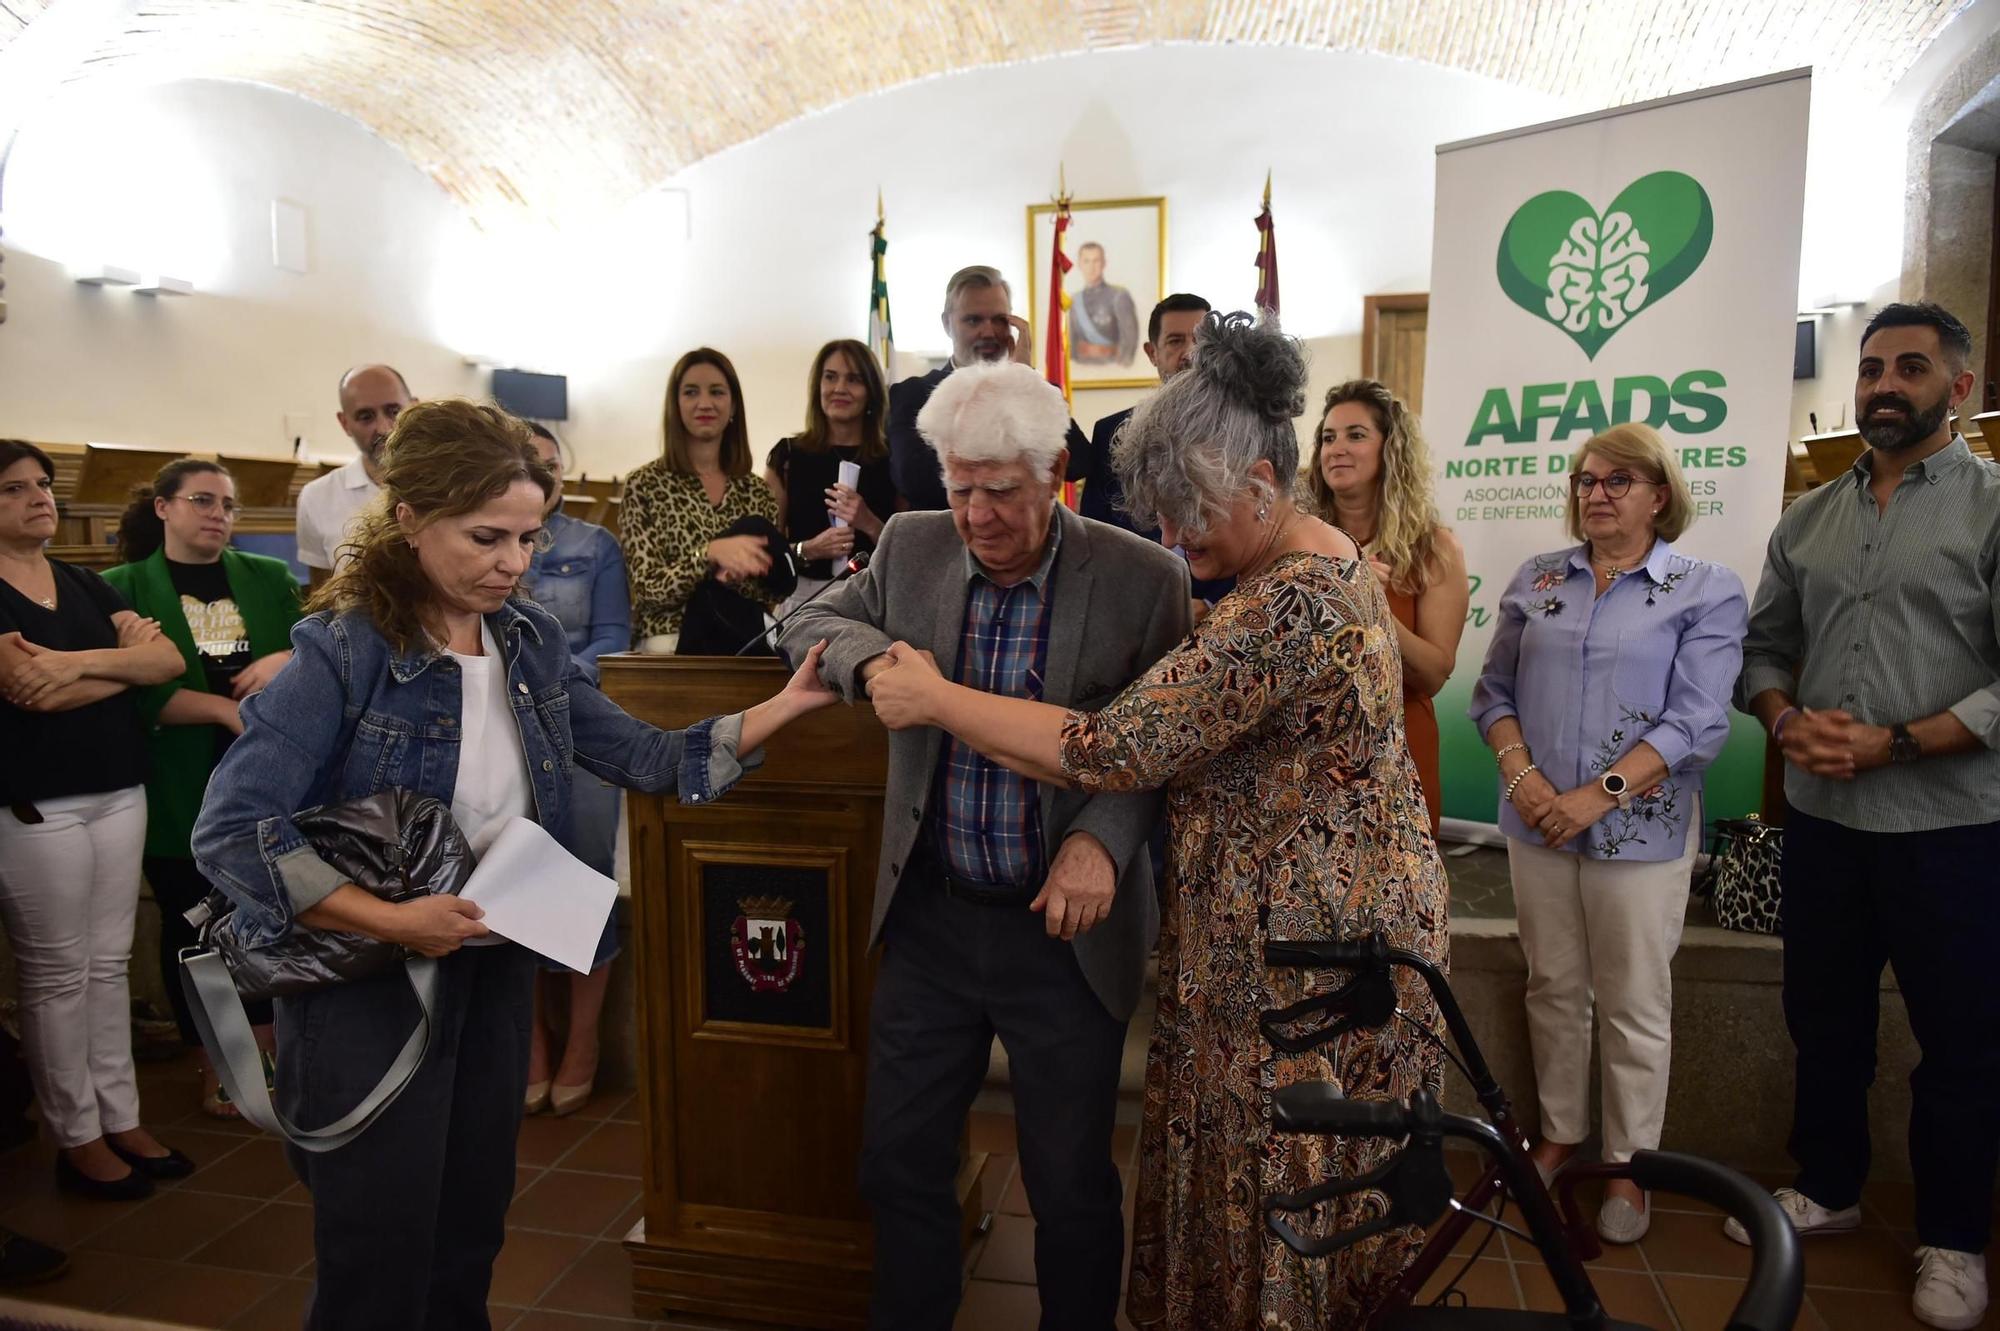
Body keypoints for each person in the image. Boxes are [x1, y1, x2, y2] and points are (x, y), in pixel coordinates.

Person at [191, 402, 835, 1329]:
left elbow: (650, 760)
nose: (513, 562)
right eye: (487, 536)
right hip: (371, 981)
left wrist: (787, 701)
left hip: (489, 962)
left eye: (530, 536)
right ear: (409, 516)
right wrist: (390, 918)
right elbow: (234, 828)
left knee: (468, 1230)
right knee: (378, 1253)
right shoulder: (344, 651)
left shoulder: (528, 639)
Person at [863, 314, 1450, 1331]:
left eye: (1191, 516)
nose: (1176, 543)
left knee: (1282, 1197)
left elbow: (1113, 745)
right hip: (1285, 943)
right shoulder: (1305, 568)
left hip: (1305, 960)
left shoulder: (1292, 603)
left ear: (1261, 478)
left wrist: (939, 700)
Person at [782, 359, 1189, 1330]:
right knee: (898, 1159)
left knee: (1068, 1184)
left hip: (1061, 936)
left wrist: (1100, 839)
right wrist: (875, 657)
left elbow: (1162, 741)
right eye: (959, 487)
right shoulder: (914, 547)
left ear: (1055, 472)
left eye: (1000, 491)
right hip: (930, 915)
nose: (975, 515)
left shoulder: (1142, 578)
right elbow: (803, 615)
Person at [1730, 301, 2000, 1331]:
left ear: (1957, 387)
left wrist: (1892, 741)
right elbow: (1761, 650)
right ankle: (1828, 1185)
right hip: (1824, 826)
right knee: (1824, 1019)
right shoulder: (1807, 517)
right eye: (1873, 367)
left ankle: (1950, 1236)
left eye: (1911, 367)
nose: (1884, 384)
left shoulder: (1986, 506)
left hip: (1952, 827)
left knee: (1960, 1041)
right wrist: (1785, 718)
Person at [1469, 423, 1745, 1245]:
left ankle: (1629, 1164)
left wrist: (1598, 795)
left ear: (1660, 494)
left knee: (1632, 1000)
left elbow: (1698, 721)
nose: (1596, 492)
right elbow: (1492, 691)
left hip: (1642, 832)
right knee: (1552, 984)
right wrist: (1527, 782)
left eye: (1618, 480)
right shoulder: (1539, 577)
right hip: (1537, 821)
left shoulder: (1706, 587)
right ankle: (1560, 1134)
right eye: (1587, 479)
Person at [0, 440, 192, 1202]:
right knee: (56, 973)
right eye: (13, 488)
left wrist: (72, 667)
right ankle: (76, 1134)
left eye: (43, 484)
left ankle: (124, 1116)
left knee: (109, 963)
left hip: (118, 788)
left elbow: (169, 661)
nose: (39, 496)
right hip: (34, 802)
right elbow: (21, 686)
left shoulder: (79, 580)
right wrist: (116, 668)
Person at [103, 459, 303, 1120]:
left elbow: (321, 649)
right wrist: (219, 709)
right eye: (202, 500)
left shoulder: (268, 577)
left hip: (270, 775)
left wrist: (282, 659)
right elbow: (133, 691)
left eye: (228, 504)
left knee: (271, 914)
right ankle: (218, 1063)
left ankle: (273, 1051)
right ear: (163, 508)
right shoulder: (119, 587)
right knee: (193, 928)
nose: (219, 514)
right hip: (181, 773)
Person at [521, 422, 630, 1116]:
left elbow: (614, 636)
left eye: (550, 463)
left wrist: (554, 684)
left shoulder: (595, 545)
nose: (541, 471)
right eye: (525, 462)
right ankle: (529, 1044)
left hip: (577, 725)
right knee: (512, 882)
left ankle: (582, 1042)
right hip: (499, 731)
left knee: (585, 877)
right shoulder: (474, 536)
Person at [1307, 380, 1469, 832]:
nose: (1337, 448)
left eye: (1356, 435)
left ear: (1390, 449)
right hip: (1305, 757)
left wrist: (1368, 602)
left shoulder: (1433, 548)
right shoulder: (1295, 541)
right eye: (1328, 437)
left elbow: (1433, 673)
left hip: (1395, 758)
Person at [620, 348, 784, 652]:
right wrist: (708, 554)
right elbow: (646, 590)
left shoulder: (757, 491)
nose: (704, 403)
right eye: (691, 392)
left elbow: (768, 593)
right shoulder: (644, 484)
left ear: (733, 405)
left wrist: (738, 572)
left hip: (740, 637)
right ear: (676, 405)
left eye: (717, 392)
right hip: (668, 639)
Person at [887, 265, 1088, 511]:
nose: (989, 331)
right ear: (946, 324)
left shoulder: (1031, 389)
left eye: (999, 320)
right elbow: (916, 482)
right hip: (943, 543)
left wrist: (1020, 379)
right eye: (973, 320)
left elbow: (1077, 464)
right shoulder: (913, 395)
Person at [1079, 292, 1232, 608]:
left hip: (1224, 616)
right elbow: (1094, 539)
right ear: (1152, 352)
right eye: (1175, 341)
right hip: (1132, 611)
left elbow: (1262, 531)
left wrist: (1212, 602)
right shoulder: (1111, 433)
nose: (1190, 352)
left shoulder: (1242, 432)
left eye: (1200, 340)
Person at [764, 339, 898, 607]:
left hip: (873, 597)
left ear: (871, 390)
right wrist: (809, 549)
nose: (839, 388)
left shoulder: (892, 459)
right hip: (804, 599)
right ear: (818, 387)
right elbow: (766, 550)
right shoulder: (788, 456)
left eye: (853, 379)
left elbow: (907, 554)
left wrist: (868, 522)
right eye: (830, 377)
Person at [296, 364, 416, 590]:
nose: (383, 428)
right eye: (366, 416)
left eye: (394, 411)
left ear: (414, 407)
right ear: (344, 423)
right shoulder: (317, 497)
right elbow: (323, 593)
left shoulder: (449, 486)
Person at [1068, 242, 1140, 366]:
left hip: (1113, 368)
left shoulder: (1119, 296)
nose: (1091, 267)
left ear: (1104, 263)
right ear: (1079, 264)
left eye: (1096, 261)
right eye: (1086, 261)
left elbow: (1130, 341)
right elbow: (1070, 345)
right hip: (1081, 370)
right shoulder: (1073, 301)